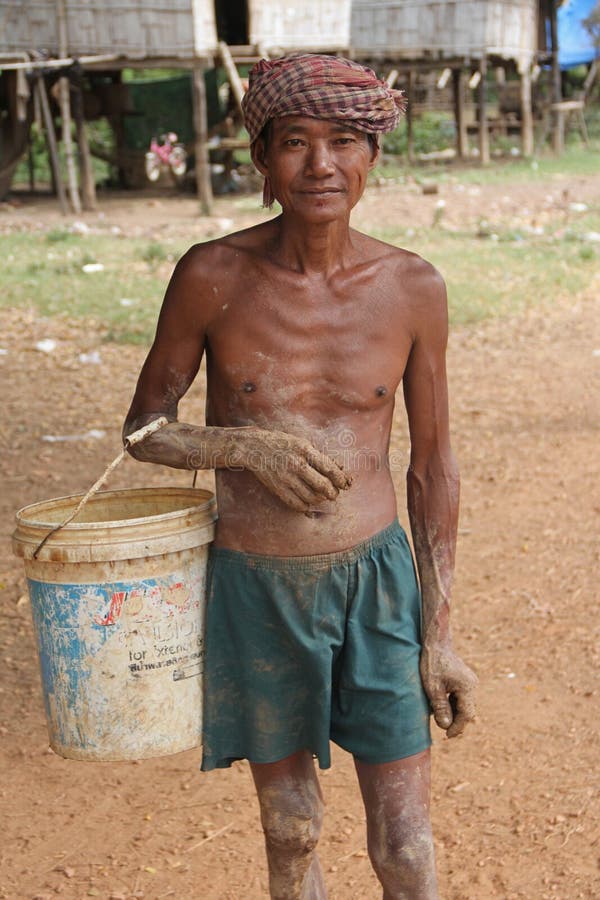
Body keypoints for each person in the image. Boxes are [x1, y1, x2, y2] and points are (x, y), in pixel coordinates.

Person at [123, 53, 477, 900]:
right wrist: (242, 447)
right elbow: (144, 430)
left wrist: (439, 633)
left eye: (345, 142)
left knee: (405, 846)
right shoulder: (212, 275)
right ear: (261, 161)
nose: (321, 166)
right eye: (295, 142)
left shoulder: (412, 287)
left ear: (373, 157)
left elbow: (432, 468)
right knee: (292, 832)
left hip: (379, 588)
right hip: (256, 589)